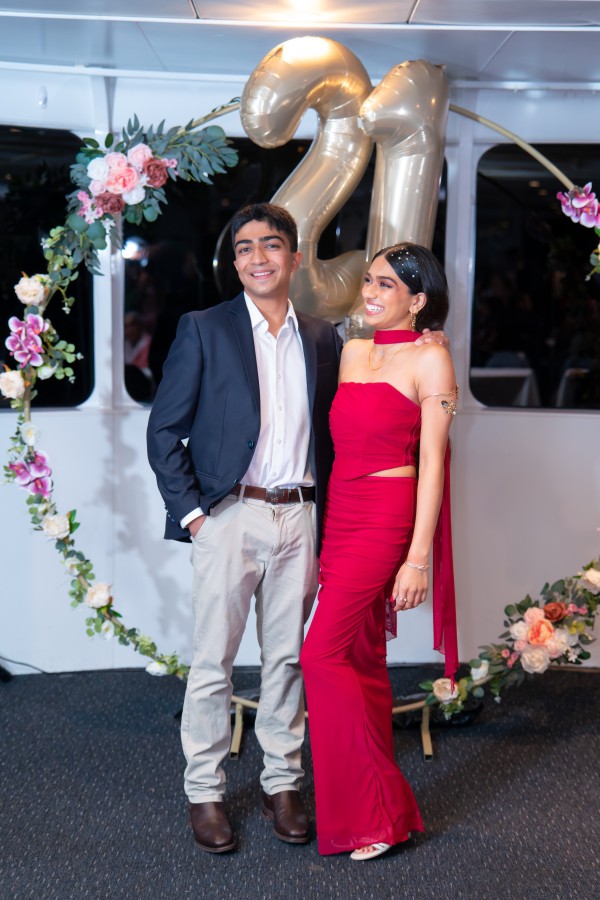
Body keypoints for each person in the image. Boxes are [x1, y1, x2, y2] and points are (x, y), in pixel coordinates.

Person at [146, 203, 342, 854]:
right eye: (245, 248)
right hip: (230, 516)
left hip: (301, 515)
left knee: (286, 659)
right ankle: (204, 790)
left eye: (271, 245)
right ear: (234, 263)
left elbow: (333, 436)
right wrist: (196, 517)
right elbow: (164, 432)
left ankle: (282, 783)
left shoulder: (323, 337)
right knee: (214, 661)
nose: (258, 257)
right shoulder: (204, 328)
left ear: (295, 257)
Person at [300, 242, 459, 861]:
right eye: (368, 280)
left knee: (320, 655)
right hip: (341, 516)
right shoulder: (354, 352)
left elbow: (434, 464)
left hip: (386, 519)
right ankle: (381, 816)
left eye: (386, 285)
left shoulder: (431, 360)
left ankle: (372, 813)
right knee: (360, 660)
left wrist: (417, 558)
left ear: (418, 300)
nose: (369, 292)